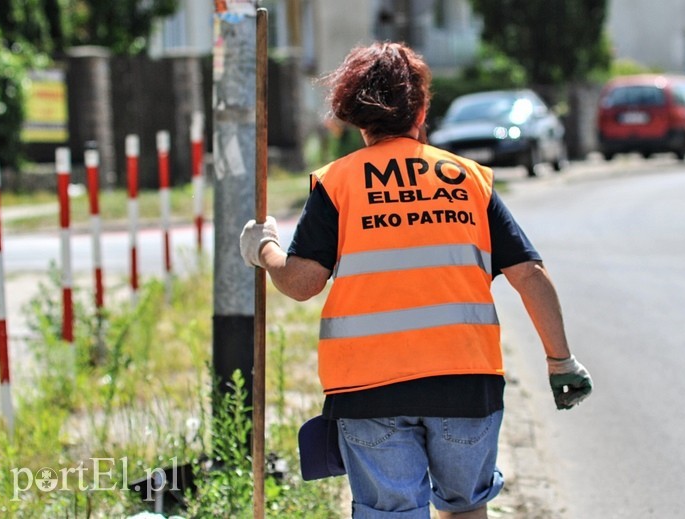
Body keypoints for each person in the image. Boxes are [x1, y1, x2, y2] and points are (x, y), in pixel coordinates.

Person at [240, 41, 592, 519]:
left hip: (368, 390)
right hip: (467, 386)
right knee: (465, 509)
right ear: (422, 110)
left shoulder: (338, 183)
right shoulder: (468, 180)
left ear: (355, 116)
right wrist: (560, 360)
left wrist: (264, 249)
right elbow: (528, 273)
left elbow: (302, 283)